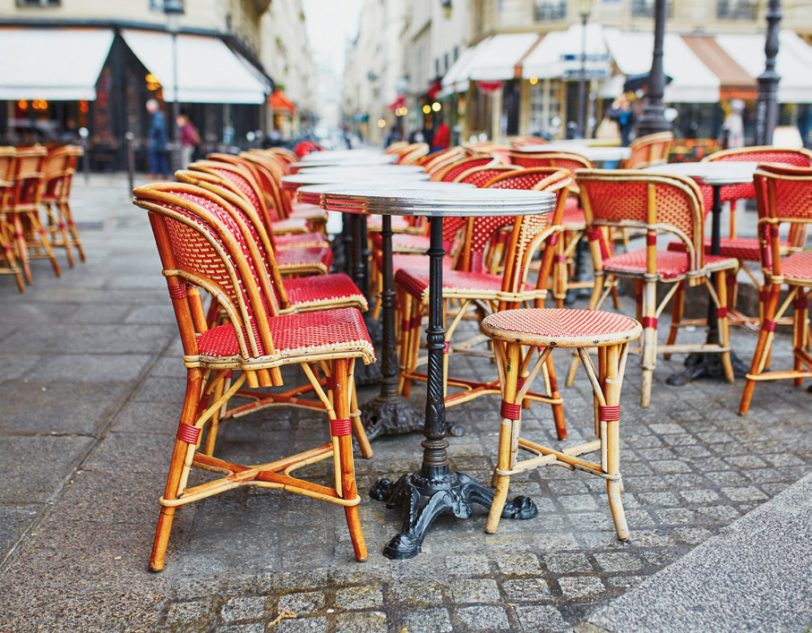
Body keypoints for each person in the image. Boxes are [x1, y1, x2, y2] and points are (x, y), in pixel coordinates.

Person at [146, 99, 169, 178]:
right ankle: (164, 174)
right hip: (160, 142)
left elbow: (158, 128)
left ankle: (155, 173)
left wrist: (152, 135)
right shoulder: (159, 115)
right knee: (161, 158)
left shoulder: (157, 116)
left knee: (155, 158)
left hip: (157, 143)